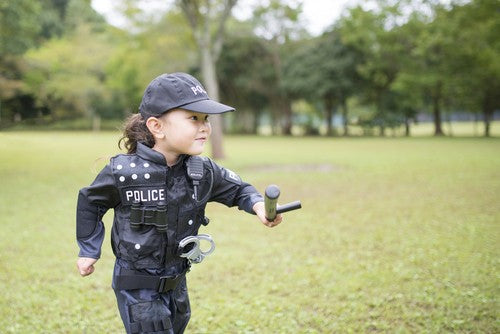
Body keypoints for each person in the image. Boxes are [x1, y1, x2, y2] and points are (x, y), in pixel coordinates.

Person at [76, 72, 282, 334]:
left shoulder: (201, 169)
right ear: (157, 126)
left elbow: (238, 189)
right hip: (137, 286)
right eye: (193, 118)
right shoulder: (124, 172)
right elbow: (90, 201)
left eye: (206, 119)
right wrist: (88, 249)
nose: (205, 126)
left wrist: (258, 205)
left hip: (177, 282)